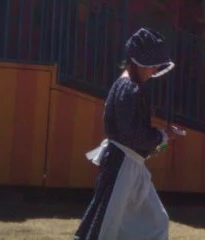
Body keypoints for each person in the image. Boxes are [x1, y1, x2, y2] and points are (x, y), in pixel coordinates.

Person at [73, 26, 182, 240]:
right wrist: (162, 135)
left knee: (156, 221)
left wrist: (163, 136)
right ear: (136, 61)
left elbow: (135, 136)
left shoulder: (131, 87)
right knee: (105, 226)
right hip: (120, 164)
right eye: (151, 65)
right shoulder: (128, 88)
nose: (154, 70)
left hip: (133, 164)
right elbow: (130, 135)